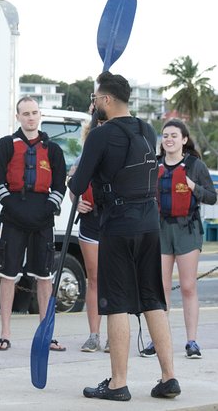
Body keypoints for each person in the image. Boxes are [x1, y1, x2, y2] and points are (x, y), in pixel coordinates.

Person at [69, 71, 180, 401]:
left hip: (118, 226)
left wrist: (73, 177)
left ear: (105, 100)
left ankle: (118, 383)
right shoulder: (147, 130)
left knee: (115, 303)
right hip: (149, 224)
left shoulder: (100, 137)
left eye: (95, 100)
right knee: (152, 300)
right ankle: (168, 377)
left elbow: (78, 186)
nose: (93, 106)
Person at [0, 97, 67, 352]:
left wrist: (47, 209)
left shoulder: (53, 149)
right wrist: (14, 208)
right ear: (18, 116)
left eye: (34, 113)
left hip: (43, 218)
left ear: (40, 115)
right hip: (13, 216)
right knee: (8, 275)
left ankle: (47, 333)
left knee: (45, 277)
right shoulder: (6, 145)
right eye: (25, 113)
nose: (30, 117)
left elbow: (59, 186)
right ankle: (4, 333)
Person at [139, 119, 216, 359]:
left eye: (174, 135)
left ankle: (192, 341)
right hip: (160, 230)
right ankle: (157, 340)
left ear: (184, 140)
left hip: (187, 229)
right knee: (160, 288)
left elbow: (212, 197)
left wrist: (194, 188)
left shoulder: (195, 166)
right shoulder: (154, 166)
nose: (169, 139)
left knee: (188, 286)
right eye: (166, 136)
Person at [69, 119, 105, 353]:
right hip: (90, 225)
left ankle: (115, 334)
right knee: (94, 279)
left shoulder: (120, 157)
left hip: (114, 225)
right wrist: (78, 200)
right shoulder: (82, 160)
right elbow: (73, 189)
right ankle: (94, 335)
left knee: (113, 281)